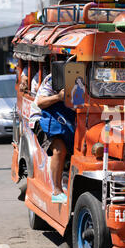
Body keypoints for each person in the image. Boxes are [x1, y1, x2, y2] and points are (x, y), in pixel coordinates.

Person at [33, 73, 78, 203]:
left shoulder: (93, 77)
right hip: (42, 118)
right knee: (59, 149)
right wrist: (58, 97)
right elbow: (40, 102)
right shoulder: (54, 78)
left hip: (69, 119)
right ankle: (57, 191)